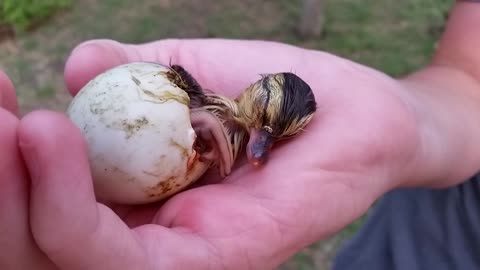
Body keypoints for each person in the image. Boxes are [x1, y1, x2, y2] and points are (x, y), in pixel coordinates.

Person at [0, 1, 479, 269]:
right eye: (266, 131)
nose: (259, 150)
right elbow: (470, 78)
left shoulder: (222, 130)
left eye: (271, 138)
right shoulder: (205, 106)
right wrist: (408, 120)